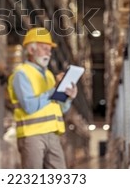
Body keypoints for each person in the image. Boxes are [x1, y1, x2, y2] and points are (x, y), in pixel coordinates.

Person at [7, 27, 78, 169]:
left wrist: (68, 97)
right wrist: (53, 91)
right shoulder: (21, 74)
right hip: (32, 136)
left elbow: (60, 108)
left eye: (50, 50)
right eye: (45, 48)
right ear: (31, 50)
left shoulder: (50, 76)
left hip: (53, 135)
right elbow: (29, 106)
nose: (49, 53)